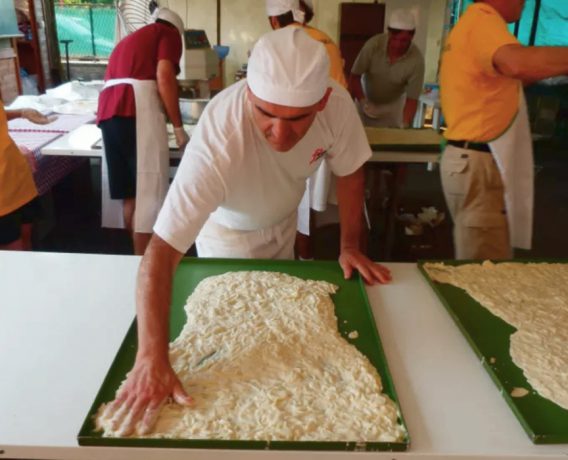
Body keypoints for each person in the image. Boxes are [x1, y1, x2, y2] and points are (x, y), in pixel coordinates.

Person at [101, 27, 392, 436]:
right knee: (233, 344)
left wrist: (349, 245)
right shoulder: (220, 138)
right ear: (248, 93)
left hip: (283, 223)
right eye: (266, 114)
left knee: (284, 341)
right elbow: (160, 254)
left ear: (322, 101)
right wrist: (151, 357)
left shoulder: (338, 107)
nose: (280, 133)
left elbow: (350, 171)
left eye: (297, 119)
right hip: (228, 235)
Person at [439, 0, 568, 259]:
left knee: (486, 254)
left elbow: (513, 75)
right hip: (478, 165)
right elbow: (516, 64)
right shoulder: (483, 21)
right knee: (485, 267)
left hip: (472, 162)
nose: (524, 3)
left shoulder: (474, 23)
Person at [97, 7, 189, 255]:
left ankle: (136, 257)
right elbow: (165, 76)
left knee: (131, 193)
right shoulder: (167, 33)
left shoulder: (129, 41)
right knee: (148, 191)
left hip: (108, 112)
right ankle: (144, 261)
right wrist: (178, 128)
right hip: (135, 108)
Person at [266, 0, 349, 259]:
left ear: (274, 20)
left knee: (298, 203)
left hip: (301, 135)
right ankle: (322, 254)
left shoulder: (277, 44)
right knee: (314, 203)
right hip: (332, 131)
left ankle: (303, 258)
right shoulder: (325, 40)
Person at [349, 9, 425, 128]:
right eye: (394, 39)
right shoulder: (373, 45)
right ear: (388, 33)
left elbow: (412, 100)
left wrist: (405, 124)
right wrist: (363, 102)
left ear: (412, 36)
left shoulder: (417, 60)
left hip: (393, 107)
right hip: (365, 99)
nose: (398, 45)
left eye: (404, 41)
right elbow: (354, 77)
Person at [0, 103, 50, 250]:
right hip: (2, 196)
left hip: (17, 178)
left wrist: (21, 112)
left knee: (26, 245)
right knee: (14, 254)